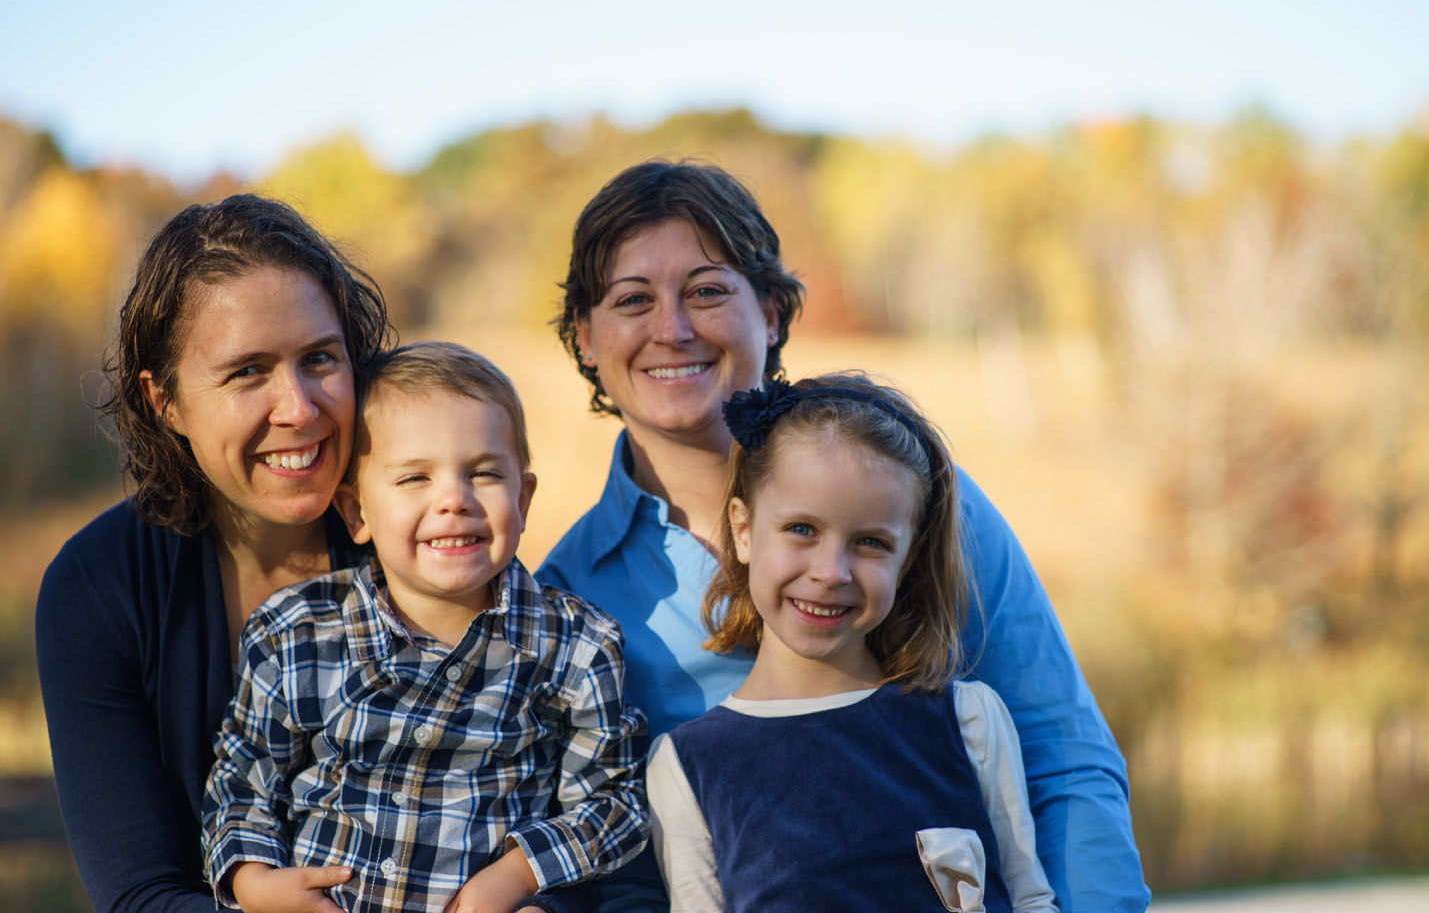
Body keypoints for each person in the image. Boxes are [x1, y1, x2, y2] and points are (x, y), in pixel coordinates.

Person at [538, 160, 1149, 911]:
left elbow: (1062, 761)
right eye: (633, 300)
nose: (673, 329)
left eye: (707, 291)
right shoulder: (564, 596)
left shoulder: (911, 494)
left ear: (771, 311)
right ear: (586, 337)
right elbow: (615, 872)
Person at [32, 196, 561, 913]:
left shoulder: (432, 535)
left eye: (319, 359)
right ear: (167, 404)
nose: (301, 408)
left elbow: (548, 803)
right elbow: (138, 895)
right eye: (248, 371)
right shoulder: (99, 588)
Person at [202, 341, 649, 913]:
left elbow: (614, 799)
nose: (454, 501)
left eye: (484, 473)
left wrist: (514, 878)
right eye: (415, 479)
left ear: (523, 496)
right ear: (357, 513)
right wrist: (253, 880)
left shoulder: (576, 648)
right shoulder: (296, 635)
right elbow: (243, 776)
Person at [648, 372, 1058, 912]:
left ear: (907, 558)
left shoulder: (967, 720)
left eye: (870, 542)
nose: (830, 571)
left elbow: (1030, 898)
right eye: (801, 529)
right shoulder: (689, 765)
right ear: (744, 530)